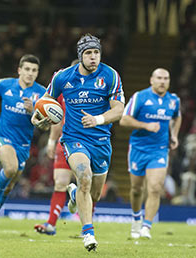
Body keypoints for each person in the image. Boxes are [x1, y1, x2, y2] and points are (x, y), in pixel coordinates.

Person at [31, 33, 125, 251]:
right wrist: (38, 118)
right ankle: (88, 234)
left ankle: (73, 195)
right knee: (84, 177)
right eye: (89, 53)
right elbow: (45, 101)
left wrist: (98, 120)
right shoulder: (63, 77)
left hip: (101, 141)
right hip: (74, 139)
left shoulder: (110, 75)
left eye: (96, 53)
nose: (93, 57)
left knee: (94, 194)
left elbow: (119, 110)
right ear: (80, 55)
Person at [0, 54, 47, 238]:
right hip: (1, 137)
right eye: (27, 69)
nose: (30, 73)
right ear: (19, 70)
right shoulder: (5, 85)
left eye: (34, 70)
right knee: (10, 168)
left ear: (37, 73)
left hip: (23, 145)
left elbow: (46, 125)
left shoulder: (42, 94)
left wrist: (34, 111)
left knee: (9, 186)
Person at [119, 68, 182, 239]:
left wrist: (174, 135)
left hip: (159, 149)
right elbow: (124, 119)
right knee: (137, 189)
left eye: (166, 78)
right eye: (159, 78)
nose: (162, 81)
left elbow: (177, 117)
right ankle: (136, 218)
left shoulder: (173, 100)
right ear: (151, 80)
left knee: (155, 188)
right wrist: (145, 125)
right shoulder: (140, 97)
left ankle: (146, 226)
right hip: (138, 148)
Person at [34, 60, 79, 236]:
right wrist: (52, 141)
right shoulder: (63, 88)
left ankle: (87, 229)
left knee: (87, 184)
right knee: (60, 183)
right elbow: (56, 116)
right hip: (65, 140)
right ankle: (51, 225)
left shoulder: (97, 91)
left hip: (89, 142)